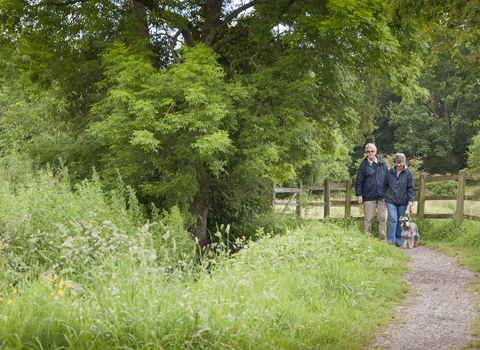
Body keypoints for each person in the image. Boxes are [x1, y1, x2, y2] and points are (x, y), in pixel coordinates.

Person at [355, 143, 388, 241]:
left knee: (383, 218)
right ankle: (367, 239)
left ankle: (382, 239)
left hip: (382, 197)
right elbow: (359, 181)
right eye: (368, 151)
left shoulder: (382, 163)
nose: (370, 153)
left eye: (372, 151)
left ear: (376, 152)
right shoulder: (363, 165)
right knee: (368, 219)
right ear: (366, 153)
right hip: (369, 196)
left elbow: (387, 179)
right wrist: (358, 194)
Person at [382, 153, 415, 247]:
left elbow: (411, 188)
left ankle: (398, 240)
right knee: (393, 218)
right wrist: (384, 198)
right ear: (394, 163)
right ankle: (391, 241)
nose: (399, 165)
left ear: (404, 162)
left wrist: (410, 200)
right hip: (390, 199)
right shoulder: (389, 172)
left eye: (400, 162)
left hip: (403, 201)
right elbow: (384, 186)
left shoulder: (408, 172)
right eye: (397, 163)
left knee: (401, 220)